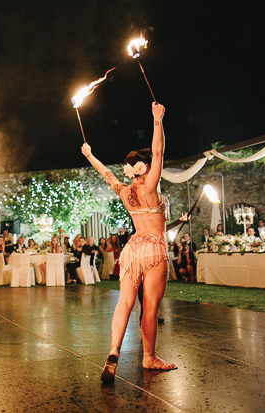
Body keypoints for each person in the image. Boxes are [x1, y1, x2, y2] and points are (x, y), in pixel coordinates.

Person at [82, 102, 175, 383]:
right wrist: (157, 120)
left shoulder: (125, 191)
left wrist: (89, 154)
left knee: (124, 303)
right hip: (154, 249)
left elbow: (105, 173)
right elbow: (158, 151)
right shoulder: (150, 187)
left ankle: (113, 351)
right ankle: (149, 357)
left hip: (132, 249)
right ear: (145, 167)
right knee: (149, 306)